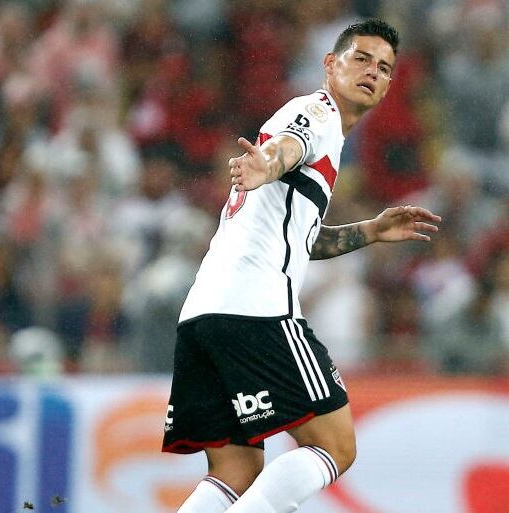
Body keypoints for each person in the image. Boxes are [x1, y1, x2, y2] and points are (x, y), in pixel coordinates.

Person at [162, 19, 441, 513]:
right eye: (361, 59)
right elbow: (285, 148)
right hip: (255, 308)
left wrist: (371, 231)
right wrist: (265, 164)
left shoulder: (324, 135)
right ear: (330, 65)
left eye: (384, 68)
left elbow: (299, 239)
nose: (372, 73)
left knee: (235, 472)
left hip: (204, 315)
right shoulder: (318, 112)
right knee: (336, 445)